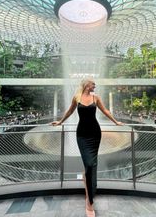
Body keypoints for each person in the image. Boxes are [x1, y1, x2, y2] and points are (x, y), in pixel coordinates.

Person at [51, 79, 124, 217]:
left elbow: (105, 110)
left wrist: (116, 122)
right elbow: (69, 111)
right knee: (89, 164)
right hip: (82, 135)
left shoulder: (96, 98)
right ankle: (89, 199)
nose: (95, 86)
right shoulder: (76, 98)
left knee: (91, 164)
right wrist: (60, 122)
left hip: (95, 134)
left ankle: (89, 200)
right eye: (93, 84)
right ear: (86, 85)